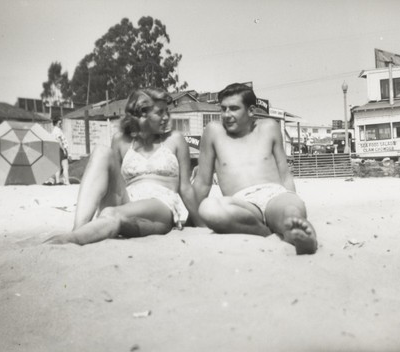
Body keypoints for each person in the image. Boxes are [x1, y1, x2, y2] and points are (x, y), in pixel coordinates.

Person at [46, 87, 202, 245]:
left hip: (159, 204)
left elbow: (185, 188)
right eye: (160, 112)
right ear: (142, 114)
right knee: (101, 151)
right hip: (127, 199)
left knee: (112, 213)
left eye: (166, 111)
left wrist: (201, 223)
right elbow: (112, 182)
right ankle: (78, 229)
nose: (166, 117)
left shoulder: (175, 139)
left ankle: (72, 239)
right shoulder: (121, 140)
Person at [192, 83, 317, 255]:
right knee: (208, 209)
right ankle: (263, 230)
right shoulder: (214, 132)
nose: (226, 115)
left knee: (290, 212)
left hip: (275, 195)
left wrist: (292, 199)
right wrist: (193, 219)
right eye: (223, 109)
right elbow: (202, 182)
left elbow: (285, 174)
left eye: (234, 109)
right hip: (242, 203)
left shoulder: (269, 127)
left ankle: (300, 234)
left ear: (250, 111)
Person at [52, 118, 70, 185]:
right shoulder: (58, 131)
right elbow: (59, 141)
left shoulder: (53, 131)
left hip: (55, 149)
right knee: (65, 166)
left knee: (58, 166)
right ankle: (67, 181)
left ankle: (57, 181)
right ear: (56, 123)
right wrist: (64, 150)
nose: (61, 124)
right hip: (61, 149)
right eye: (59, 123)